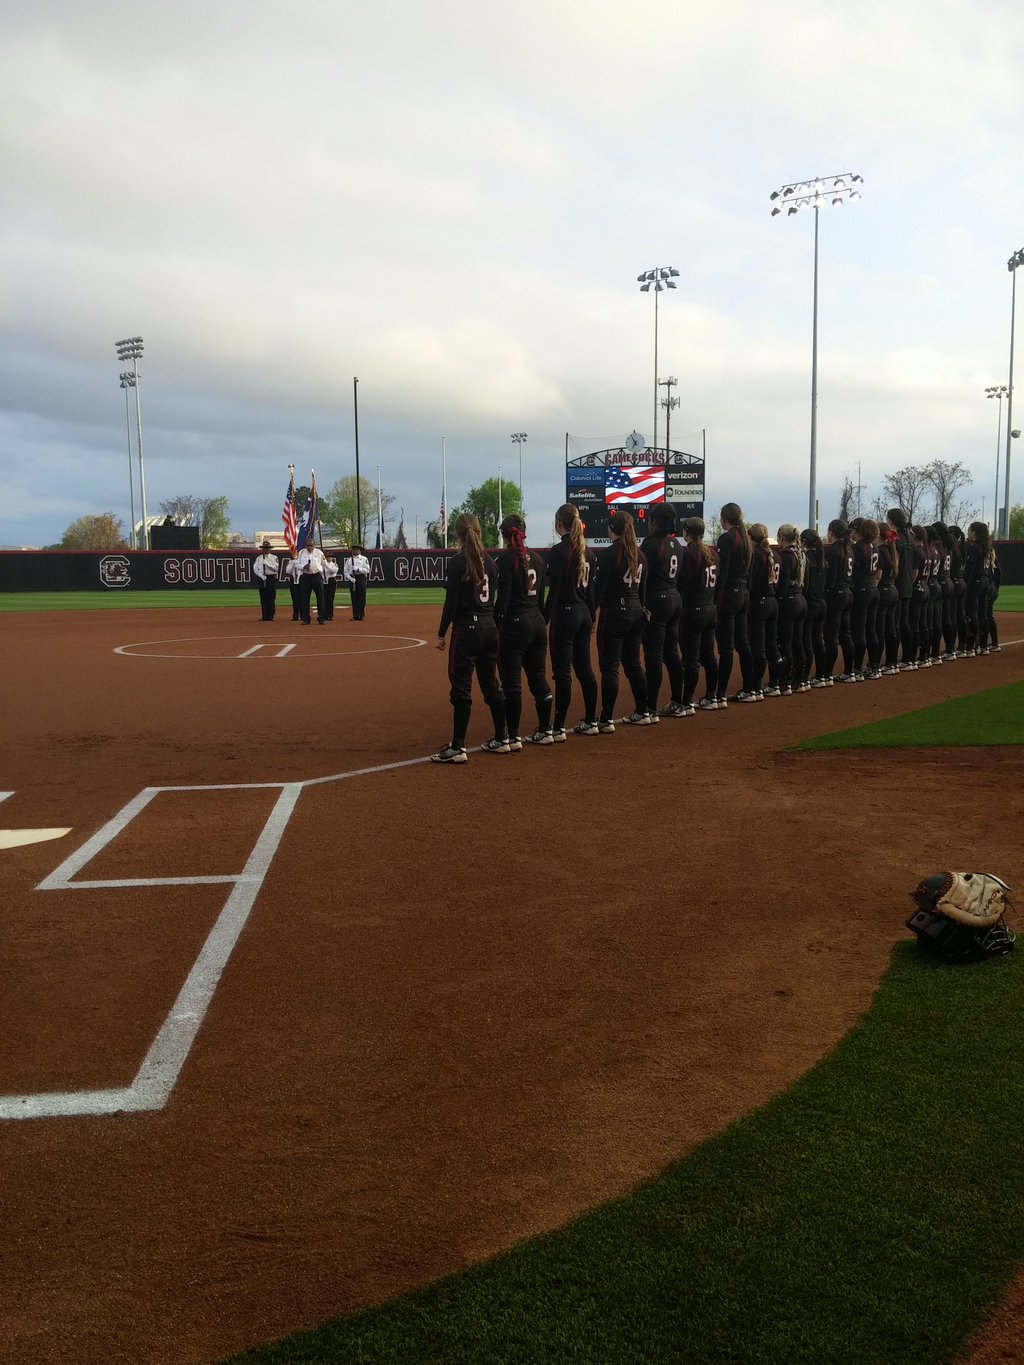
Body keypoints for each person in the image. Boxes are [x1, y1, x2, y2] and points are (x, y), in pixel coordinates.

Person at [431, 513, 508, 763]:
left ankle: (459, 747)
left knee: (461, 687)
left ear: (458, 534)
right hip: (489, 627)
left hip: (467, 629)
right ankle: (502, 738)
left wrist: (441, 634)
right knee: (491, 685)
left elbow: (451, 603)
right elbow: (495, 601)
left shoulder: (457, 562)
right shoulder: (492, 563)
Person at [495, 514, 553, 748]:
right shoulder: (538, 559)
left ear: (505, 535)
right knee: (538, 676)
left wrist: (497, 625)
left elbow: (504, 601)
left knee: (512, 683)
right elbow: (541, 598)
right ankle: (545, 729)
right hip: (537, 622)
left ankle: (513, 735)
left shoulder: (505, 560)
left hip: (515, 624)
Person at [542, 503, 598, 741]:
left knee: (562, 672)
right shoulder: (589, 552)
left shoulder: (559, 551)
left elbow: (553, 592)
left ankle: (559, 726)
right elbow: (592, 591)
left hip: (565, 613)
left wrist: (543, 618)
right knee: (584, 668)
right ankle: (591, 720)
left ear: (559, 524)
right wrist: (593, 616)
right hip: (584, 612)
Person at [592, 509, 649, 728]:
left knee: (610, 667)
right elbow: (643, 590)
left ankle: (606, 719)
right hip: (636, 611)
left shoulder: (609, 554)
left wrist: (592, 614)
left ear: (612, 528)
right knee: (634, 664)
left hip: (615, 612)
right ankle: (643, 711)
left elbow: (600, 590)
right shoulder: (640, 554)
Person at [639, 504, 685, 720]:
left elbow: (643, 577)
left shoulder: (650, 543)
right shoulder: (676, 543)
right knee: (672, 653)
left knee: (654, 656)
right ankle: (678, 701)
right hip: (675, 598)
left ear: (654, 521)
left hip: (657, 599)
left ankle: (649, 707)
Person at [679, 516, 720, 711]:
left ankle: (687, 701)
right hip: (710, 608)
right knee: (709, 655)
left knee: (691, 659)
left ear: (686, 531)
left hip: (694, 610)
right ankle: (712, 696)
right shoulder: (713, 553)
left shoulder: (688, 554)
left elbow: (684, 585)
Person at [714, 502, 752, 708]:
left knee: (727, 647)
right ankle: (749, 688)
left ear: (724, 518)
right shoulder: (745, 539)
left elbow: (723, 572)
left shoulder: (727, 538)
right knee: (743, 642)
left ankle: (719, 694)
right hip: (744, 592)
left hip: (730, 594)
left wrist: (716, 598)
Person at [741, 523, 779, 700]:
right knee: (771, 646)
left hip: (759, 603)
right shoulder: (774, 554)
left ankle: (755, 689)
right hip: (773, 602)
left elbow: (752, 581)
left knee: (758, 648)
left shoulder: (756, 554)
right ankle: (775, 683)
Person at [775, 524, 807, 692]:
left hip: (789, 601)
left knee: (785, 643)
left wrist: (778, 599)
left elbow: (782, 583)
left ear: (781, 537)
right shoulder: (801, 552)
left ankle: (785, 681)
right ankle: (800, 680)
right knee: (797, 641)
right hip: (800, 598)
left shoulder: (786, 555)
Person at [824, 519, 855, 681]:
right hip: (848, 592)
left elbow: (831, 578)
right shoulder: (849, 549)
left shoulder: (834, 550)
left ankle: (827, 675)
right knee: (846, 634)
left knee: (832, 636)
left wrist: (826, 593)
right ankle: (849, 671)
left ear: (832, 532)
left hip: (837, 594)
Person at [849, 518, 880, 679]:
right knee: (871, 629)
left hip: (862, 590)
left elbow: (852, 573)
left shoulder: (857, 548)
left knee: (859, 631)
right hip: (873, 588)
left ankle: (857, 667)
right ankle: (874, 666)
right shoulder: (874, 546)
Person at [886, 508, 916, 666]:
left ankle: (893, 660)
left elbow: (894, 562)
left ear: (891, 521)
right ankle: (908, 658)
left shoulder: (896, 538)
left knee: (896, 625)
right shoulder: (909, 536)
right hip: (908, 584)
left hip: (897, 584)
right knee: (905, 623)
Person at [800, 529, 828, 687]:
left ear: (803, 542)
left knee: (807, 642)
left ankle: (804, 677)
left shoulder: (807, 559)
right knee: (818, 641)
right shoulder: (821, 558)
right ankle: (821, 676)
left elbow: (805, 585)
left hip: (810, 604)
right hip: (821, 603)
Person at [963, 521, 991, 655]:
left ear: (974, 532)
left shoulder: (975, 548)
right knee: (983, 614)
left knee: (971, 613)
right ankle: (983, 645)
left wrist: (965, 582)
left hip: (976, 582)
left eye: (969, 530)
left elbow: (970, 569)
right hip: (985, 581)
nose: (968, 532)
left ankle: (970, 646)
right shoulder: (987, 547)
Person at [294, 535, 328, 625]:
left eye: (311, 545)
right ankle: (306, 619)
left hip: (316, 576)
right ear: (306, 545)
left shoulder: (319, 553)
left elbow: (324, 564)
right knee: (305, 599)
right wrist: (303, 566)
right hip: (306, 577)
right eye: (308, 545)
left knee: (320, 598)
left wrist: (320, 572)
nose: (310, 547)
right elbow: (296, 564)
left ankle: (321, 618)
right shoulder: (301, 553)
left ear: (314, 545)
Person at [252, 539, 280, 621]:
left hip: (271, 578)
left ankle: (271, 615)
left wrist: (267, 564)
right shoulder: (259, 558)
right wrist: (260, 575)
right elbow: (255, 568)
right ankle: (264, 615)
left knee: (271, 597)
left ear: (270, 548)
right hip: (262, 578)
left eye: (267, 548)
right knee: (263, 598)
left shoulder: (274, 557)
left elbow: (276, 568)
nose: (266, 549)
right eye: (264, 548)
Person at [346, 545, 370, 620]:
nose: (354, 551)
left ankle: (361, 615)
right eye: (353, 549)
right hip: (353, 579)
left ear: (360, 551)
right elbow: (345, 571)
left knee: (361, 597)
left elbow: (367, 570)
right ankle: (355, 615)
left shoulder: (364, 559)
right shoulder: (349, 560)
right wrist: (350, 578)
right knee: (354, 597)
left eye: (356, 549)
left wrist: (358, 569)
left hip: (361, 578)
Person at [324, 554, 339, 621]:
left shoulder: (334, 564)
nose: (329, 558)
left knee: (330, 598)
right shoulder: (322, 564)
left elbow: (333, 571)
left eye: (330, 557)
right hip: (324, 581)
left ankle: (329, 614)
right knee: (324, 598)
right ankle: (324, 614)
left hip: (331, 580)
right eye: (327, 557)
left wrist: (326, 566)